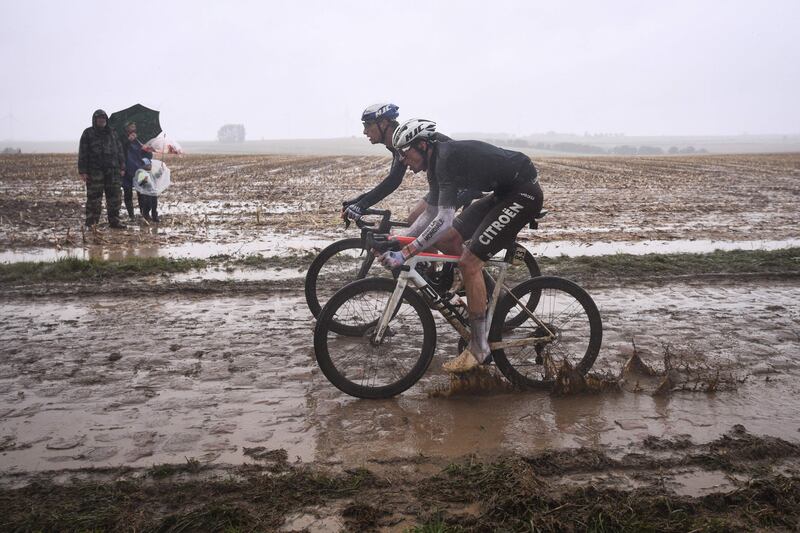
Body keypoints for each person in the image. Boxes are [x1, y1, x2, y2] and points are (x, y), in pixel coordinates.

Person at [380, 119, 544, 373]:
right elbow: (432, 214)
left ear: (422, 145)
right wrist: (400, 239)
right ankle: (492, 296)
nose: (402, 160)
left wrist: (407, 251)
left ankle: (479, 348)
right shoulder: (434, 166)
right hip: (503, 192)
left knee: (469, 262)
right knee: (449, 240)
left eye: (404, 152)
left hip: (523, 193)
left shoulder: (445, 160)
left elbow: (443, 221)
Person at [343, 103, 475, 225]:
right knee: (414, 220)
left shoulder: (408, 140)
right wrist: (359, 202)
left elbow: (392, 181)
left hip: (465, 182)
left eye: (367, 125)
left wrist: (361, 204)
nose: (364, 132)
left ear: (383, 123)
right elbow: (393, 180)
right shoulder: (397, 144)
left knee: (431, 229)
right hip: (446, 183)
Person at [121, 122, 152, 220]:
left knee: (143, 193)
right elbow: (119, 151)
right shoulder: (121, 139)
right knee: (128, 193)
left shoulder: (140, 139)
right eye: (131, 125)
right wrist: (128, 141)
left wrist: (148, 151)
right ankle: (131, 216)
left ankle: (144, 214)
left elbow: (147, 155)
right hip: (126, 170)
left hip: (140, 170)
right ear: (126, 128)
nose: (134, 127)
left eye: (134, 125)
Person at [134, 158, 162, 222]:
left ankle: (155, 217)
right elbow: (140, 184)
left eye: (150, 165)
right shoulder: (141, 173)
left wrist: (160, 171)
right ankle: (146, 215)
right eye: (148, 165)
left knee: (154, 205)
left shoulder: (151, 173)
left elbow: (156, 176)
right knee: (148, 205)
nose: (150, 166)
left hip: (153, 192)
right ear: (144, 166)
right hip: (146, 193)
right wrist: (144, 181)